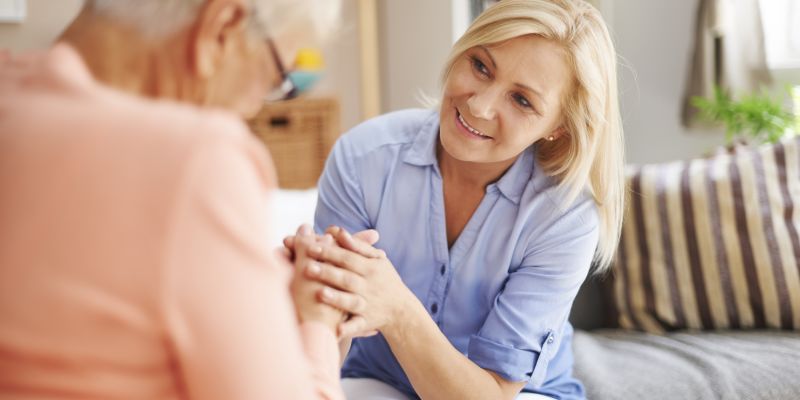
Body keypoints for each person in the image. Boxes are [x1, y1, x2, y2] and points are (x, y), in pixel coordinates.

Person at [0, 0, 356, 399]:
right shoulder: (199, 159)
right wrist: (317, 322)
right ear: (222, 27)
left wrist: (254, 284)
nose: (254, 107)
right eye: (275, 77)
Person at [290, 0, 625, 399]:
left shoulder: (564, 215)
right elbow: (327, 336)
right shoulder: (363, 158)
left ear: (559, 128)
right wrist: (311, 296)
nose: (479, 106)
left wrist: (397, 309)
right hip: (379, 379)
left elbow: (494, 391)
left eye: (522, 100)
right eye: (480, 66)